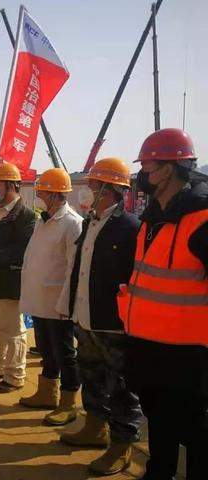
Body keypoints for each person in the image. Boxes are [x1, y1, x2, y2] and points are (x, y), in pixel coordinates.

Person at [118, 129, 208, 480]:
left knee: (196, 431)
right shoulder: (153, 217)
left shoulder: (201, 219)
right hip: (148, 345)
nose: (143, 174)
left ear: (169, 168)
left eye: (148, 166)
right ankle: (159, 474)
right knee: (159, 419)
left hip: (187, 352)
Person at [57, 157, 143, 476]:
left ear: (110, 189)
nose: (89, 191)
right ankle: (94, 428)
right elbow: (79, 270)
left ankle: (121, 447)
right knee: (90, 374)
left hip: (113, 324)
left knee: (121, 386)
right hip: (86, 317)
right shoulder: (90, 223)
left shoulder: (129, 227)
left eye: (94, 186)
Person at [19, 168, 83, 426]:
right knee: (46, 348)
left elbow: (72, 268)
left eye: (43, 192)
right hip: (40, 297)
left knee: (64, 352)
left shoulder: (72, 223)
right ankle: (47, 392)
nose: (40, 196)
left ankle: (68, 403)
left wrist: (65, 302)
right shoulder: (43, 219)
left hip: (58, 301)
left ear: (56, 194)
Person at [0, 162, 35, 393]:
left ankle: (15, 374)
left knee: (13, 328)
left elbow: (24, 249)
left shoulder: (25, 214)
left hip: (9, 276)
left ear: (11, 185)